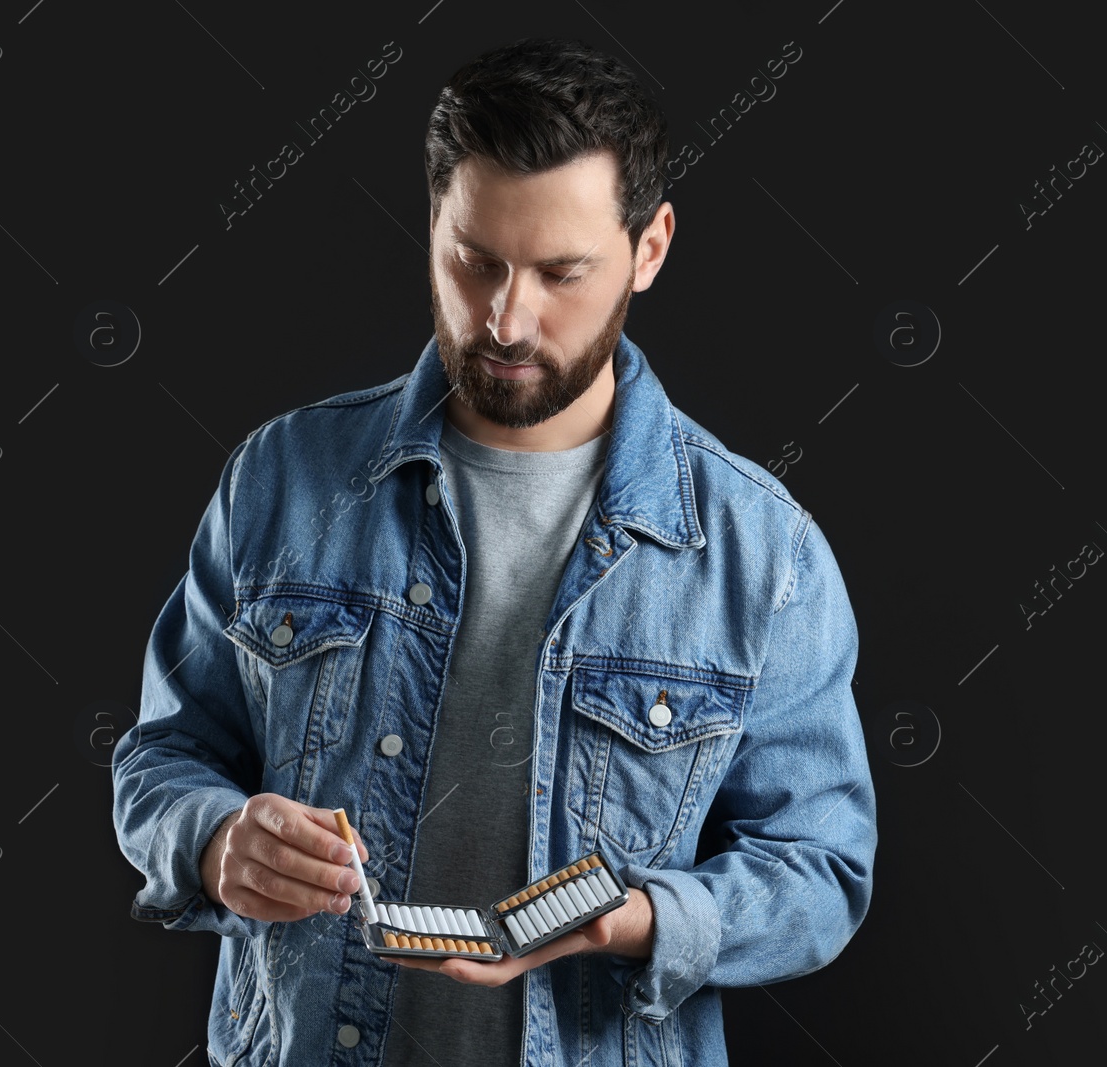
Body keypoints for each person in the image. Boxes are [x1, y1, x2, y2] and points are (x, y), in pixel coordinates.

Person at [112, 36, 876, 1067]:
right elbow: (162, 755)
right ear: (433, 224)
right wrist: (212, 840)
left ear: (649, 249)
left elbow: (822, 871)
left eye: (561, 272)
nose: (505, 318)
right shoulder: (283, 478)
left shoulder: (760, 550)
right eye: (474, 261)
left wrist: (638, 915)